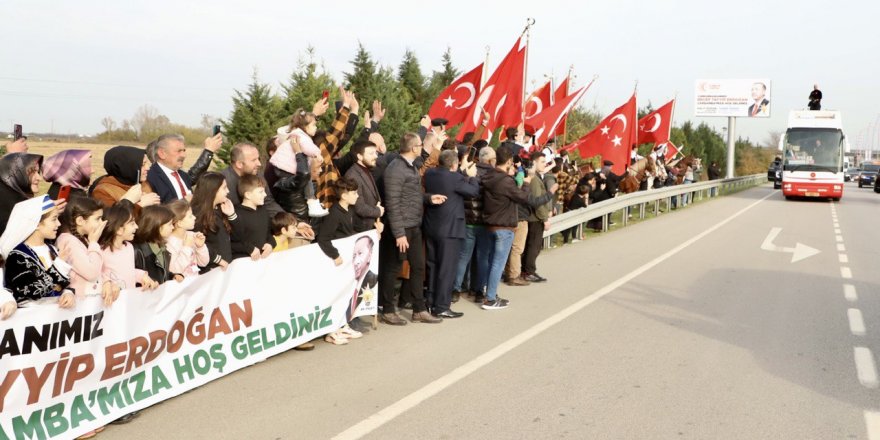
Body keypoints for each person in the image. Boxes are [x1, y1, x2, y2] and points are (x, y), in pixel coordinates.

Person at [377, 133, 446, 325]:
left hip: (414, 225)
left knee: (418, 267)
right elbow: (392, 203)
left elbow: (412, 195)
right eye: (421, 145)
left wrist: (429, 198)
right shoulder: (396, 169)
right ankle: (388, 310)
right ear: (414, 148)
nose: (423, 147)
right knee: (392, 268)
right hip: (400, 228)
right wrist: (399, 233)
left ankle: (419, 309)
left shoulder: (410, 167)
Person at [482, 147, 557, 310]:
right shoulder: (505, 181)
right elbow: (525, 198)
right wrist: (529, 183)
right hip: (503, 226)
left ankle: (489, 294)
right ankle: (489, 298)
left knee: (489, 262)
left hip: (490, 224)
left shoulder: (488, 176)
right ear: (509, 162)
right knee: (497, 264)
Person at [422, 150, 480, 318]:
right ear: (454, 165)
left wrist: (461, 172)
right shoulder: (456, 178)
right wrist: (472, 176)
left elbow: (452, 179)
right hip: (450, 230)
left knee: (433, 266)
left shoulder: (431, 173)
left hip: (432, 226)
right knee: (446, 269)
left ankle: (431, 302)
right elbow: (473, 191)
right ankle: (441, 306)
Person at [316, 178, 369, 343]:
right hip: (336, 262)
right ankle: (332, 331)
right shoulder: (334, 214)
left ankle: (342, 324)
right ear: (344, 196)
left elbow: (354, 231)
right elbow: (323, 238)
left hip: (348, 261)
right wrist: (335, 255)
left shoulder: (349, 211)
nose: (357, 195)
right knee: (336, 294)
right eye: (354, 193)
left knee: (346, 293)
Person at [0, 195, 75, 307]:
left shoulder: (52, 249)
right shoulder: (17, 256)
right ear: (37, 223)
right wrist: (59, 267)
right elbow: (32, 291)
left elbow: (63, 284)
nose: (58, 224)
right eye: (54, 219)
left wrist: (68, 293)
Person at [56, 196, 118, 304]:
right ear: (80, 220)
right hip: (78, 306)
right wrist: (94, 242)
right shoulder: (68, 241)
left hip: (90, 304)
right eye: (97, 218)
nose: (101, 223)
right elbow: (91, 273)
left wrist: (106, 281)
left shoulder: (84, 239)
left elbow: (101, 267)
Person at [453, 146, 495, 300]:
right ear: (491, 160)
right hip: (484, 222)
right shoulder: (493, 175)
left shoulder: (469, 171)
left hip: (468, 221)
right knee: (482, 257)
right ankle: (477, 290)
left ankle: (456, 290)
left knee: (463, 257)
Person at [99, 202, 158, 291]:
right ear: (119, 229)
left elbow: (128, 272)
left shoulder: (129, 247)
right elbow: (97, 276)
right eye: (132, 223)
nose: (137, 227)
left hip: (129, 301)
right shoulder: (100, 251)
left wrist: (143, 277)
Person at [192, 172, 241, 272]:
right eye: (224, 188)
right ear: (213, 190)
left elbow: (238, 235)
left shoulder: (221, 209)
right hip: (211, 270)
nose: (228, 191)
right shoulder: (197, 214)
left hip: (226, 267)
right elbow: (199, 243)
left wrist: (232, 215)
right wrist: (218, 260)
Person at [90, 145, 160, 212]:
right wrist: (140, 205)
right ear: (127, 167)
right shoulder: (102, 191)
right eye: (142, 164)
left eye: (147, 163)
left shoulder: (144, 184)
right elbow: (113, 219)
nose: (148, 168)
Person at [221, 142, 284, 216]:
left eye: (258, 159)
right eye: (254, 160)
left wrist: (288, 221)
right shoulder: (222, 183)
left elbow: (269, 203)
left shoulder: (257, 175)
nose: (259, 164)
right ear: (239, 164)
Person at [522, 151, 556, 283]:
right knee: (533, 246)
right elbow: (538, 202)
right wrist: (545, 219)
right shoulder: (535, 179)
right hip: (535, 218)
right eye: (542, 162)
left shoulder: (535, 177)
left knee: (531, 245)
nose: (544, 164)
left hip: (533, 217)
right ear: (534, 163)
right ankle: (529, 271)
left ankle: (525, 270)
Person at [231, 174, 275, 260]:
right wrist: (249, 249)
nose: (265, 195)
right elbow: (231, 242)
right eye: (261, 192)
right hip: (241, 263)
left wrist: (270, 243)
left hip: (262, 263)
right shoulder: (235, 214)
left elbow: (268, 233)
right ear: (248, 195)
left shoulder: (263, 210)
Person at [344, 140, 384, 233]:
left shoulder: (366, 169)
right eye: (371, 153)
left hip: (372, 227)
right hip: (361, 231)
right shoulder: (352, 175)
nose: (376, 156)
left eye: (376, 153)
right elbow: (359, 207)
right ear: (359, 156)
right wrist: (378, 211)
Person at [133, 205, 179, 284]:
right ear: (157, 225)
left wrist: (172, 276)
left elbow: (161, 274)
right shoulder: (138, 251)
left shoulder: (162, 248)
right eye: (170, 224)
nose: (172, 227)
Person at [166, 199, 210, 278]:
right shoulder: (169, 242)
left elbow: (204, 263)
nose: (194, 217)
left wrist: (200, 247)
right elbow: (174, 270)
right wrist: (187, 247)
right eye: (190, 216)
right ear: (179, 223)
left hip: (194, 282)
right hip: (181, 287)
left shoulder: (191, 235)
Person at [0, 152, 43, 232]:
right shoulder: (10, 205)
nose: (39, 178)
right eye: (32, 172)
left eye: (38, 172)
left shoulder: (16, 197)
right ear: (16, 173)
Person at [147, 134, 196, 203]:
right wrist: (183, 202)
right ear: (162, 153)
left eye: (184, 150)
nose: (184, 155)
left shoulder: (183, 175)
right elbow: (155, 211)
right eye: (179, 151)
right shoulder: (150, 178)